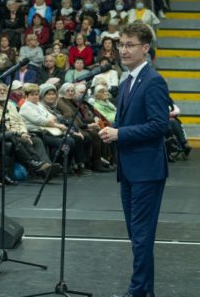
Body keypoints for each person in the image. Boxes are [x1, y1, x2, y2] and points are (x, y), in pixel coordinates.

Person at [99, 23, 170, 297]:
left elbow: (159, 125)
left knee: (141, 236)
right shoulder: (128, 79)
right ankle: (144, 291)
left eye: (129, 45)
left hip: (147, 171)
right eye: (121, 44)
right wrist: (111, 130)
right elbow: (127, 122)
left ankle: (138, 291)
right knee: (136, 235)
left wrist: (120, 133)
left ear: (145, 48)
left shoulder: (153, 81)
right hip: (129, 170)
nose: (123, 50)